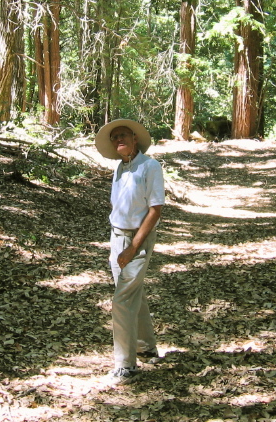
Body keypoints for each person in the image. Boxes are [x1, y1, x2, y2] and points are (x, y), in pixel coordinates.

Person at [95, 118, 165, 385]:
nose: (119, 140)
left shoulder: (150, 166)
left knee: (122, 300)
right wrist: (116, 246)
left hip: (137, 241)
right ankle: (147, 346)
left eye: (123, 135)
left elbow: (155, 209)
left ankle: (126, 366)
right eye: (115, 138)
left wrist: (133, 247)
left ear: (135, 139)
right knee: (133, 294)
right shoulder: (120, 168)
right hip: (117, 238)